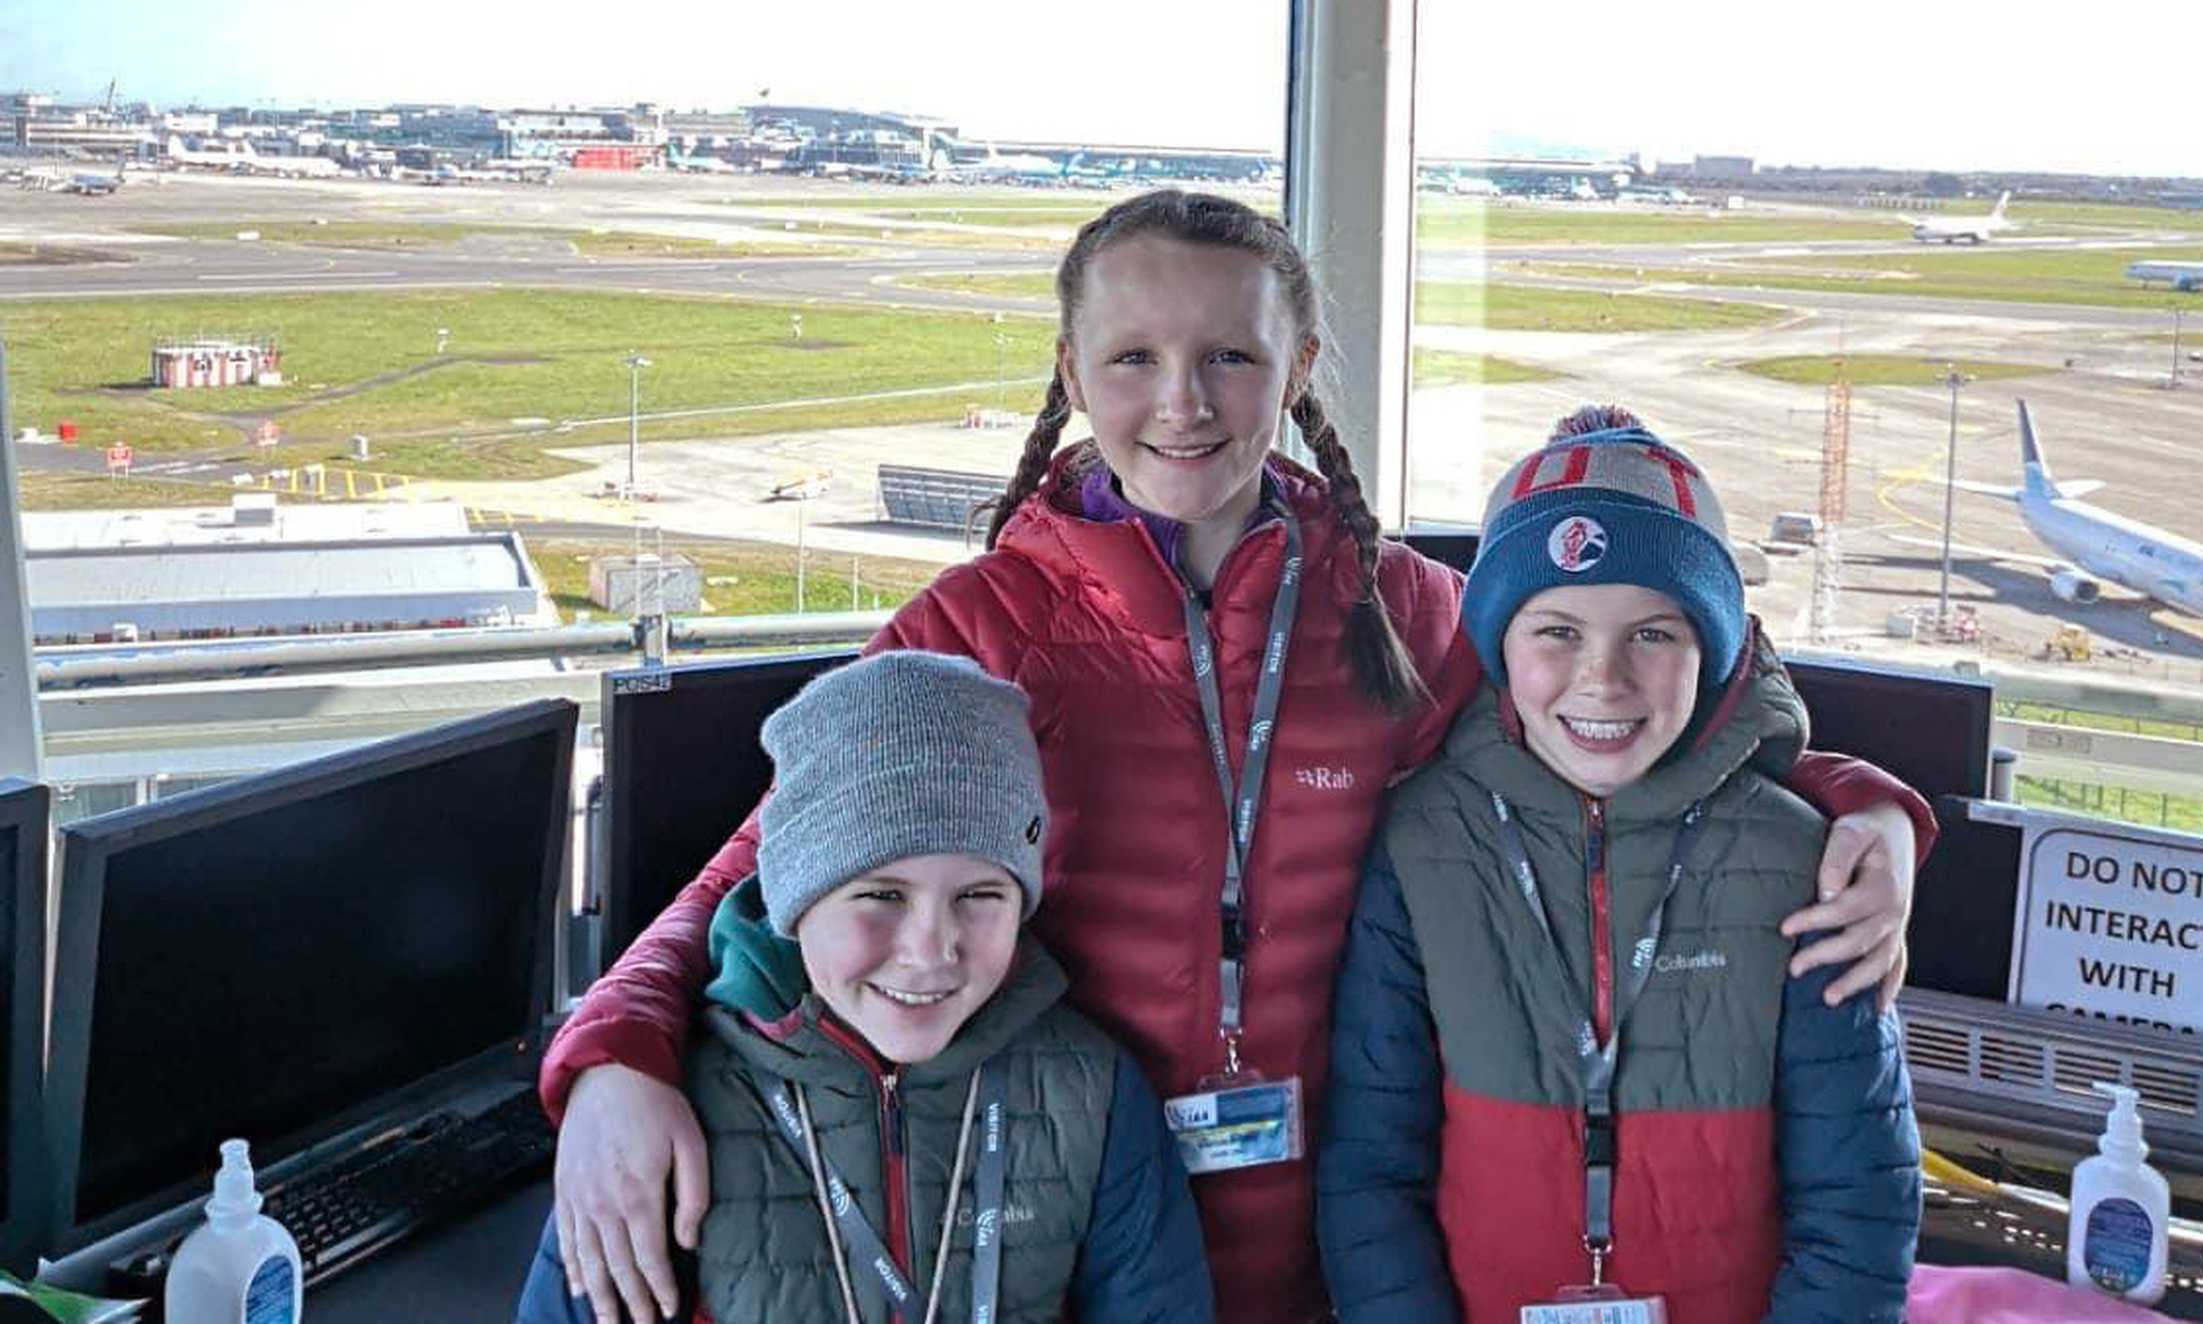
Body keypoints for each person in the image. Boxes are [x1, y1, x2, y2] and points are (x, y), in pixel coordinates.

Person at [538, 191, 1936, 1324]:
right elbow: (769, 862)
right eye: (1133, 358)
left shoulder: (1401, 613)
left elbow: (1636, 712)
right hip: (1070, 1233)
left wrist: (1860, 804)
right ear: (1073, 373)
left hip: (1350, 1247)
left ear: (1300, 369)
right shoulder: (978, 627)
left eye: (1231, 356)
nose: (1183, 402)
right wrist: (614, 1056)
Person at [1318, 426, 1921, 1323]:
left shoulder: (1805, 861)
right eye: (1556, 630)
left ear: (1710, 649)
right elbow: (1371, 1166)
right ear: (1496, 643)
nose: (1602, 679)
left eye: (1652, 633)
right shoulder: (1420, 842)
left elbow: (1860, 1198)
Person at [518, 651, 1211, 1323]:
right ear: (794, 898)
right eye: (881, 893)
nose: (929, 949)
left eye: (980, 894)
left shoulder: (1092, 1091)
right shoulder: (667, 1114)